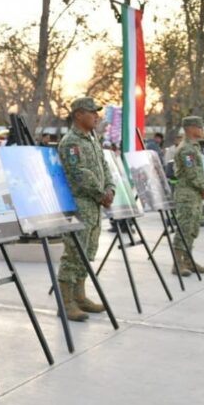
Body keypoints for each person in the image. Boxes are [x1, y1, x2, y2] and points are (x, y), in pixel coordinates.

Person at [56, 97, 114, 322]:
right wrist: (101, 194)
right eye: (92, 112)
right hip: (79, 204)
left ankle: (80, 296)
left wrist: (110, 188)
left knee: (87, 252)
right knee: (73, 253)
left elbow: (104, 166)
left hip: (94, 206)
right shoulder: (71, 142)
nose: (96, 116)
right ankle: (66, 303)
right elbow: (79, 174)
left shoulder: (92, 139)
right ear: (78, 114)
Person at [172, 116, 204, 275]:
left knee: (192, 228)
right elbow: (190, 172)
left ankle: (188, 260)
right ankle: (177, 264)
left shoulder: (194, 147)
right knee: (184, 228)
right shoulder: (187, 149)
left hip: (194, 194)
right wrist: (203, 186)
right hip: (187, 194)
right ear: (190, 128)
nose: (202, 130)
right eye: (200, 127)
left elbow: (198, 171)